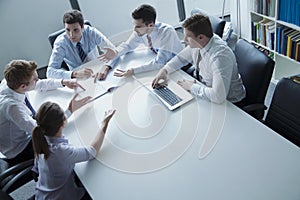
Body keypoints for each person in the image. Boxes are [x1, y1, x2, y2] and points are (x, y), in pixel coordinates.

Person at [0, 59, 92, 166]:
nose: (38, 79)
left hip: (24, 131)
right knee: (67, 139)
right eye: (35, 79)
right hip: (20, 150)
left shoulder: (9, 83)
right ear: (22, 87)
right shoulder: (12, 107)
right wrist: (70, 110)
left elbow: (38, 84)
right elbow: (41, 130)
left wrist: (63, 82)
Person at [152, 14, 246, 104]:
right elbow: (181, 59)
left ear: (201, 37)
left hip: (230, 103)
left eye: (187, 38)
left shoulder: (220, 57)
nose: (184, 40)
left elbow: (218, 96)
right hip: (206, 89)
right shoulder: (200, 43)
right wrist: (164, 70)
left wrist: (192, 87)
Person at [31, 102, 115, 199]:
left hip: (43, 195)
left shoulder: (41, 139)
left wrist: (69, 110)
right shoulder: (60, 152)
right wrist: (104, 123)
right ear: (63, 123)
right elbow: (91, 152)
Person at [99, 4, 183, 77]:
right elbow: (127, 45)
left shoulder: (167, 32)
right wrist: (116, 52)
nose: (135, 29)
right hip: (160, 66)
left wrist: (133, 71)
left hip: (179, 68)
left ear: (150, 25)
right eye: (135, 25)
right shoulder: (141, 31)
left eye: (138, 26)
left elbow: (160, 62)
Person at [47, 9, 117, 80]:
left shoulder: (91, 33)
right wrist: (74, 74)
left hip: (97, 70)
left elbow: (114, 52)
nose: (71, 35)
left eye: (75, 30)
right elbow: (50, 72)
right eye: (68, 30)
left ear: (82, 27)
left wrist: (106, 67)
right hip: (77, 77)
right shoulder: (61, 43)